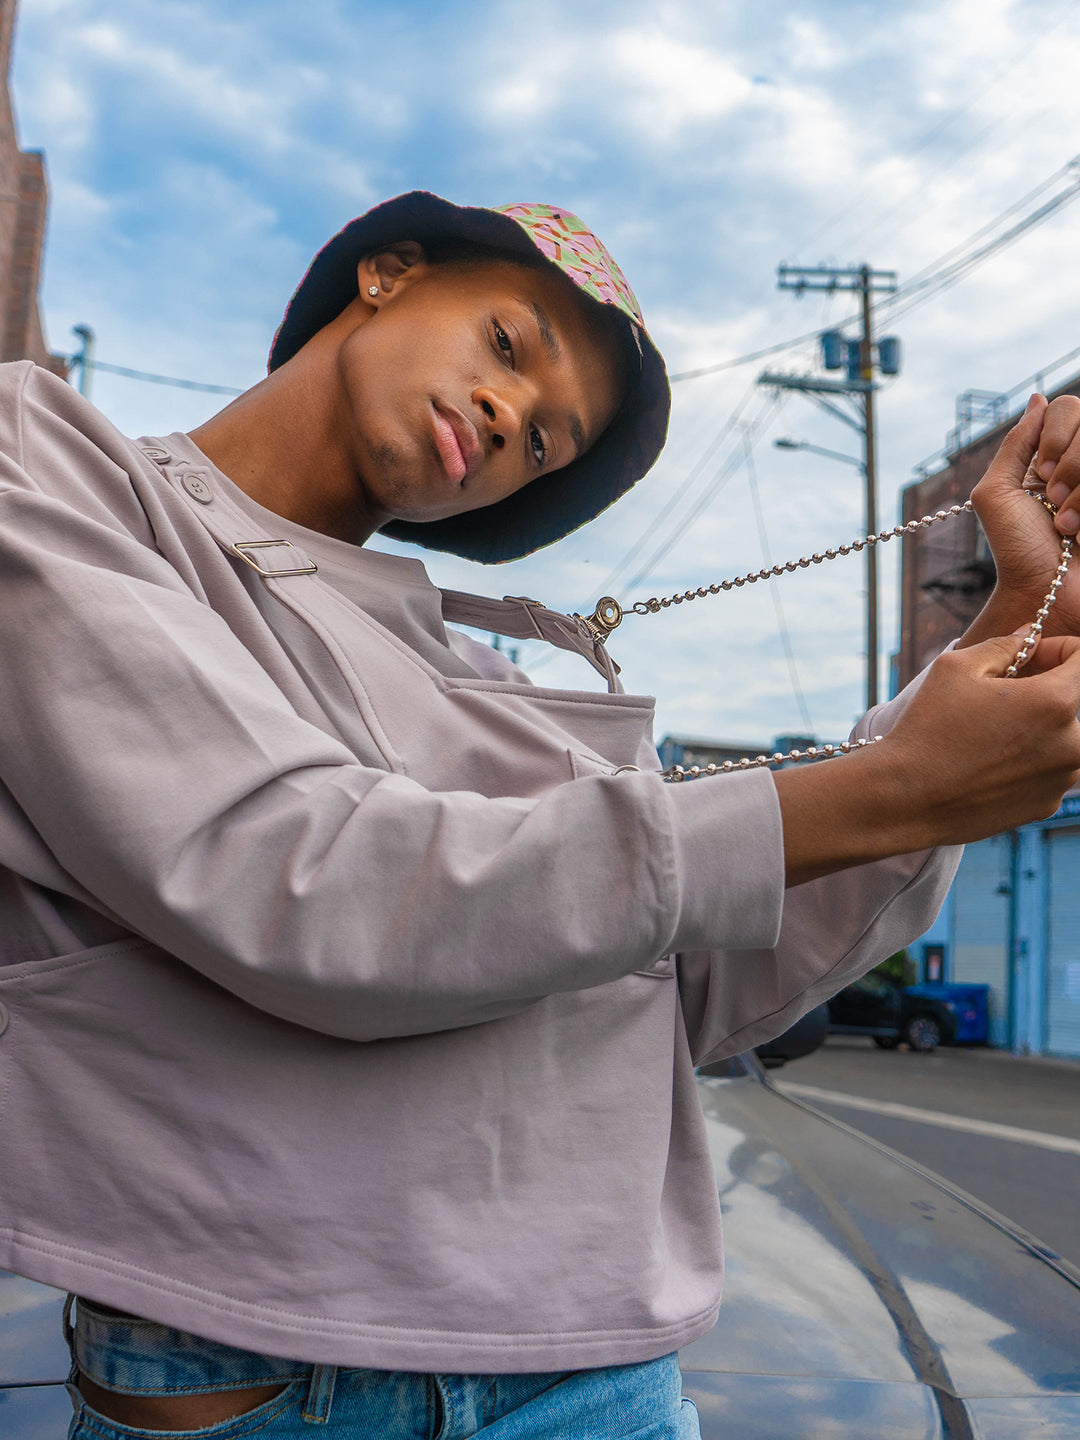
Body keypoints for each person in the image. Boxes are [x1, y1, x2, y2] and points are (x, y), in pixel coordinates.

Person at [0, 191, 1078, 1440]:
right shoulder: (55, 469)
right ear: (389, 274)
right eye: (510, 347)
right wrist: (888, 787)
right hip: (276, 1380)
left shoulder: (486, 679)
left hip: (601, 1378)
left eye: (547, 447)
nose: (513, 419)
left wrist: (1020, 629)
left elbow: (680, 981)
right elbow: (297, 878)